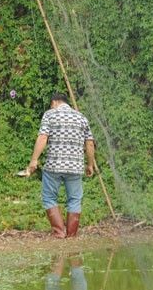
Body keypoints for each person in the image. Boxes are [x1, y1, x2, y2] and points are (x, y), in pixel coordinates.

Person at [26, 92, 96, 238]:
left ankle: (59, 233)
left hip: (54, 166)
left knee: (49, 198)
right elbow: (89, 143)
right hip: (75, 167)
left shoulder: (50, 114)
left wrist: (34, 160)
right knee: (74, 199)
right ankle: (71, 235)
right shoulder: (81, 117)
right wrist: (90, 165)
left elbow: (43, 137)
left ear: (54, 103)